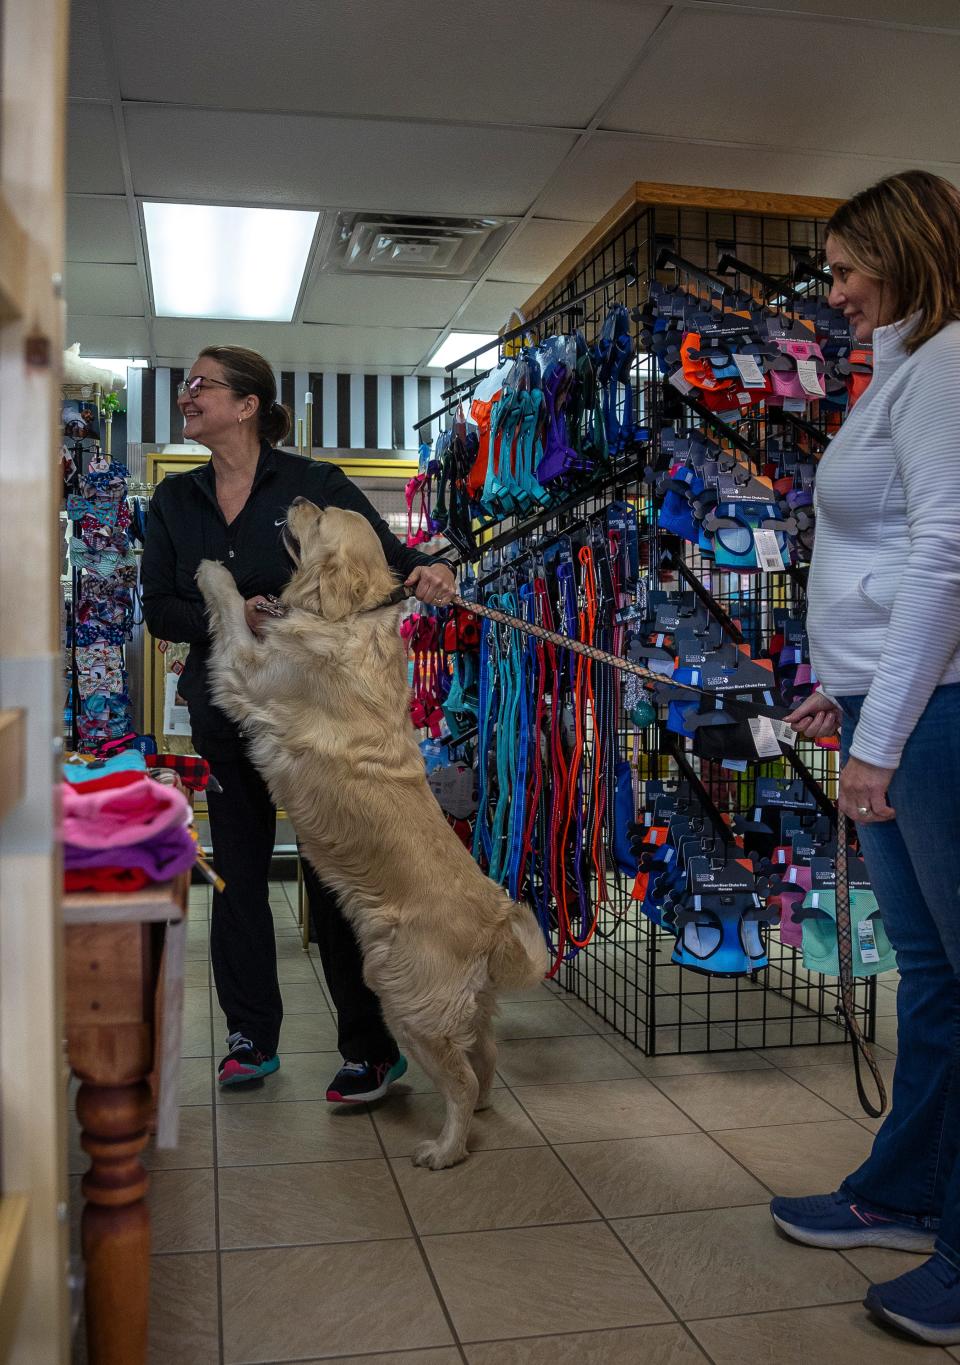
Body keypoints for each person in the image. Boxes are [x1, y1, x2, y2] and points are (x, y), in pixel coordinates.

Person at [141, 345, 457, 1103]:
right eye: (187, 387)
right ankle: (250, 1038)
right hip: (228, 713)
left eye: (200, 386)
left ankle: (371, 1050)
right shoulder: (175, 502)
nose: (188, 397)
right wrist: (232, 616)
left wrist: (429, 568)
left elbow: (383, 555)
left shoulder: (310, 482)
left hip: (316, 715)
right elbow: (160, 606)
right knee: (239, 873)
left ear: (247, 404)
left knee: (334, 873)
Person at [772, 170, 960, 1346]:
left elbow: (946, 557)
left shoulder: (946, 366)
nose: (832, 291)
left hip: (936, 719)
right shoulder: (905, 371)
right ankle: (904, 1191)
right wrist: (834, 685)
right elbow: (886, 560)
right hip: (894, 705)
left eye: (846, 269)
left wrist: (878, 735)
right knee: (934, 980)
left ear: (902, 255)